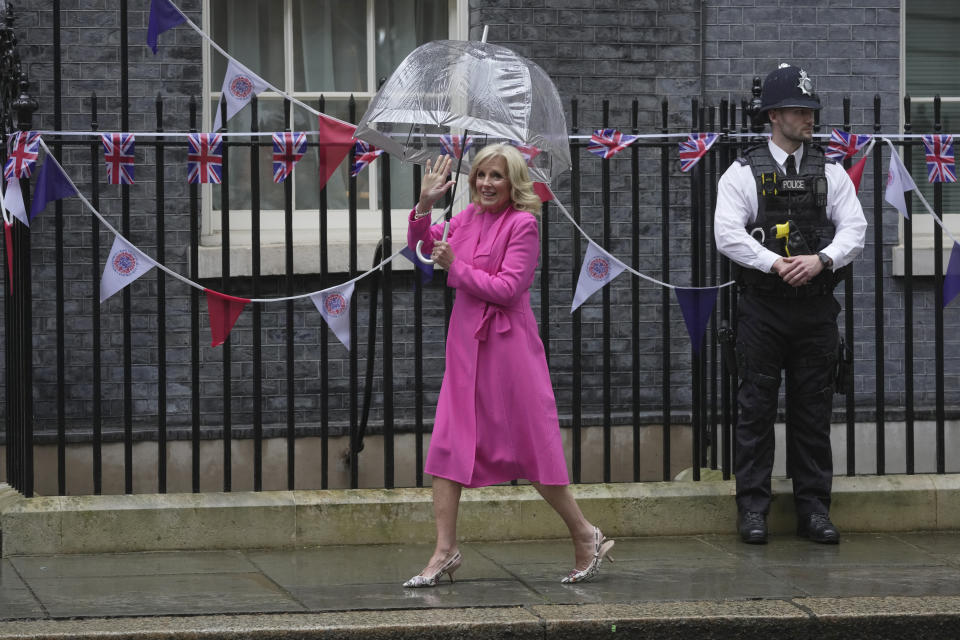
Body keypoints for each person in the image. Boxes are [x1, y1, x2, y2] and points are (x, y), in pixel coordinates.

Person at [403, 143, 614, 587]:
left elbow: (508, 287)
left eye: (496, 176)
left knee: (530, 445)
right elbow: (423, 247)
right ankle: (445, 551)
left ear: (513, 182)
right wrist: (424, 205)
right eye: (480, 175)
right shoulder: (467, 219)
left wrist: (456, 267)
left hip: (508, 349)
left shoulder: (523, 225)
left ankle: (584, 534)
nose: (485, 183)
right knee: (447, 442)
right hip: (465, 346)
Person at [713, 64, 867, 545]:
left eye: (811, 110)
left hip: (816, 309)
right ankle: (753, 510)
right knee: (755, 410)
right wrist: (774, 264)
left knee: (813, 412)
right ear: (774, 115)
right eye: (801, 110)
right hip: (762, 307)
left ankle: (814, 511)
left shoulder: (832, 172)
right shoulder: (741, 173)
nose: (810, 118)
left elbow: (856, 229)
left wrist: (821, 260)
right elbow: (726, 233)